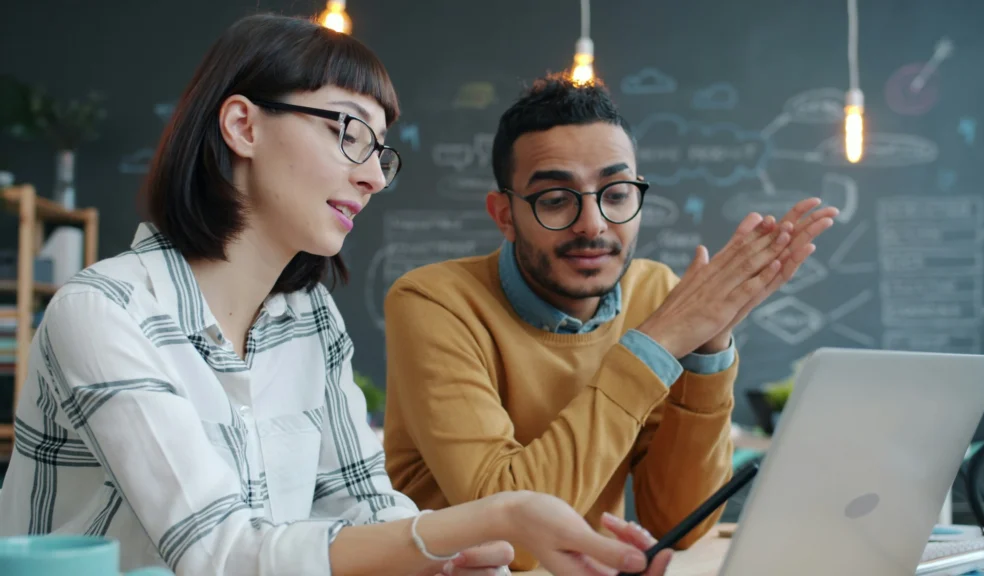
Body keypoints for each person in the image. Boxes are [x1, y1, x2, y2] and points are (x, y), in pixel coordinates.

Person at [0, 15, 674, 576]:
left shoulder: (307, 319)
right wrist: (491, 515)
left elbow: (363, 504)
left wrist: (448, 558)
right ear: (242, 126)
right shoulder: (104, 311)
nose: (372, 179)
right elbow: (218, 555)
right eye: (347, 131)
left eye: (380, 153)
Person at [382, 74, 839, 571]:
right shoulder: (432, 301)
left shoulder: (656, 294)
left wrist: (709, 349)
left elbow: (677, 525)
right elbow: (515, 536)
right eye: (555, 199)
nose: (594, 224)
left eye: (617, 193)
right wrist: (656, 343)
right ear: (505, 215)